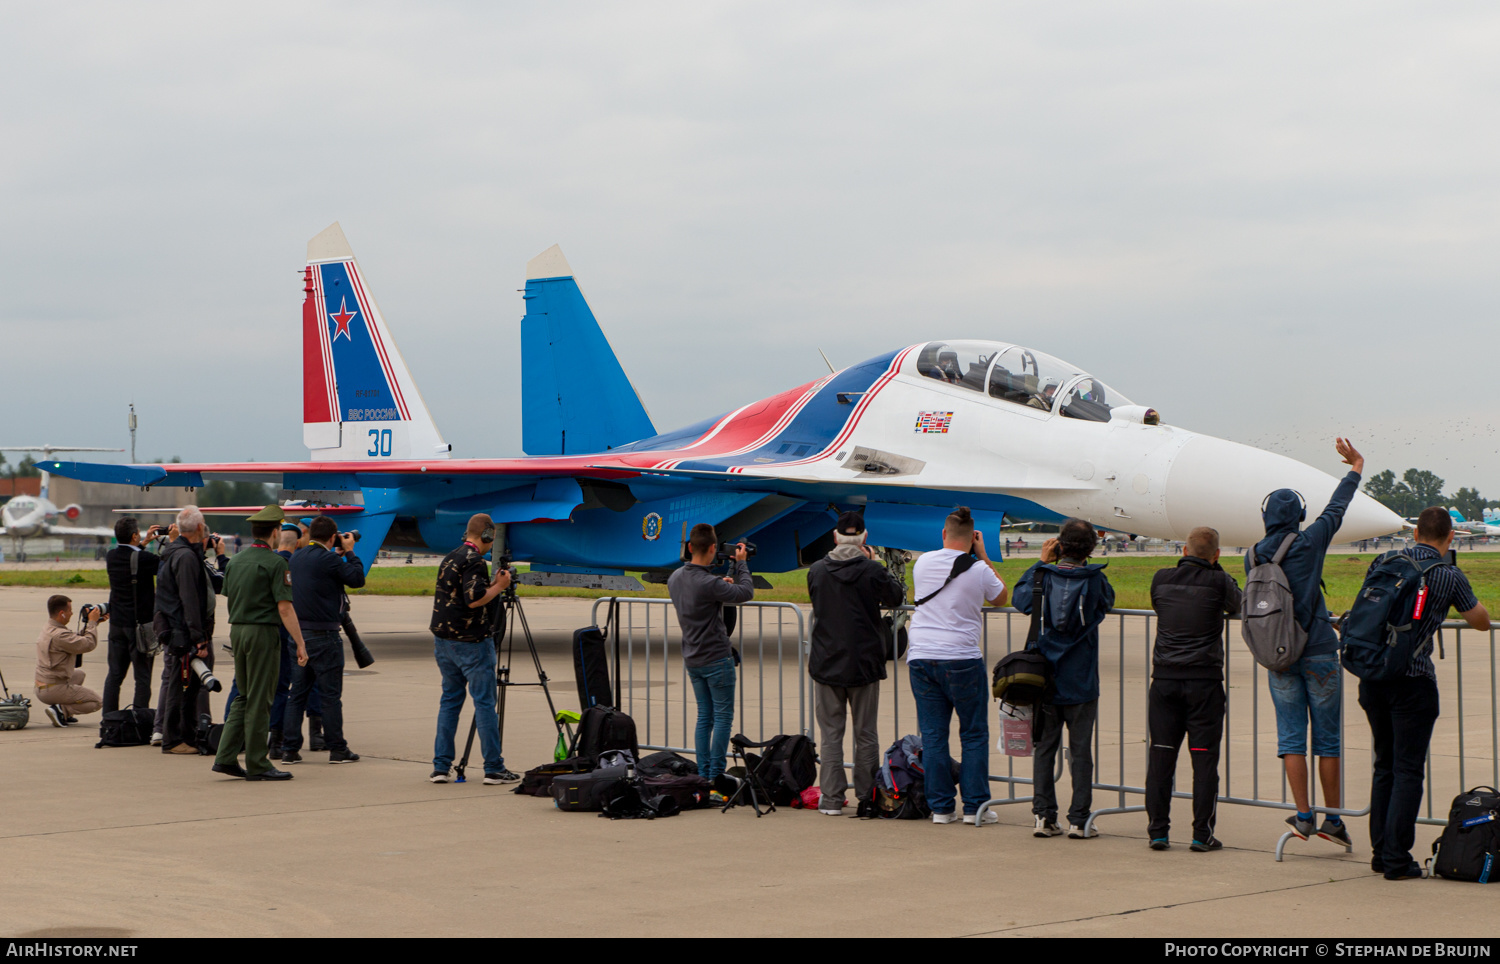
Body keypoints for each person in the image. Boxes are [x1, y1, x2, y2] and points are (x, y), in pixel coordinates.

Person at [1358, 507, 1490, 880]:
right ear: (1450, 538)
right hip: (1412, 681)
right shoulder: (1447, 574)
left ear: (1415, 534)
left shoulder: (1384, 560)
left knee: (1384, 765)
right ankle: (1398, 858)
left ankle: (1381, 853)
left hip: (1373, 676)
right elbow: (1479, 621)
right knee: (1408, 770)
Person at [1250, 437, 1363, 844]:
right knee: (1327, 738)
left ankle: (1302, 816)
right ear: (1299, 515)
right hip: (1316, 650)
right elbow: (1337, 508)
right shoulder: (1308, 542)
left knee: (1291, 738)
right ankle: (1333, 819)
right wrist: (1355, 468)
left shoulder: (1252, 555)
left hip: (1277, 655)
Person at [906, 506, 1007, 825]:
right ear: (973, 538)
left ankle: (940, 807)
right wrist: (984, 556)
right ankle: (975, 805)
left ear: (943, 534)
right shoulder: (978, 569)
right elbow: (1001, 597)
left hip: (921, 654)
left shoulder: (922, 562)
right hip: (961, 657)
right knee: (974, 733)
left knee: (934, 734)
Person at [1013, 519, 1114, 838]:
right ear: (1090, 549)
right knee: (1081, 752)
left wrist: (1040, 563)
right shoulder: (1096, 579)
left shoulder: (1043, 576)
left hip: (1045, 678)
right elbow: (1107, 603)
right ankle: (1079, 818)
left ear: (1059, 544)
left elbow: (1020, 600)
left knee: (1044, 748)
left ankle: (1043, 815)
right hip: (1082, 679)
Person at [1145, 526, 1242, 852]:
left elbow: (1160, 606)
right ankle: (1202, 833)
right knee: (1203, 761)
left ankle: (1158, 831)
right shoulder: (1219, 580)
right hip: (1204, 681)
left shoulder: (1161, 578)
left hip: (1165, 680)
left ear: (1183, 552)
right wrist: (1217, 570)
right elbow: (1237, 605)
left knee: (1161, 756)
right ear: (1216, 555)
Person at [806, 511, 905, 815]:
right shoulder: (871, 571)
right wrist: (873, 562)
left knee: (831, 735)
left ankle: (832, 799)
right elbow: (896, 597)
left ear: (835, 537)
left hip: (827, 662)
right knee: (866, 733)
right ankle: (866, 794)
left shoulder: (818, 570)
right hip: (863, 662)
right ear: (864, 538)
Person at [212, 505, 308, 781]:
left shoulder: (237, 560)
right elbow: (285, 608)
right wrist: (300, 643)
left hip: (238, 632)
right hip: (262, 634)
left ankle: (226, 756)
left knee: (243, 694)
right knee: (261, 698)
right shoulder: (276, 563)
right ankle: (257, 762)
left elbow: (229, 594)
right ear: (275, 532)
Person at [429, 513, 517, 785]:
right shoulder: (475, 560)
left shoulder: (451, 556)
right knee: (485, 704)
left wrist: (490, 587)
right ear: (488, 536)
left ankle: (440, 767)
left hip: (444, 641)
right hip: (471, 643)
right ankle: (493, 767)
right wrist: (500, 587)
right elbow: (474, 600)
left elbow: (462, 593)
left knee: (450, 701)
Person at [667, 523, 754, 790]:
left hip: (692, 657)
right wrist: (741, 565)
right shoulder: (708, 583)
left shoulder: (676, 578)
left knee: (704, 717)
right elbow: (746, 592)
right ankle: (716, 773)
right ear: (714, 548)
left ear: (690, 547)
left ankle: (703, 774)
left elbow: (704, 592)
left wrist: (719, 584)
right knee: (723, 716)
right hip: (716, 657)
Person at [281, 515, 366, 764]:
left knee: (297, 694)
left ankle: (289, 749)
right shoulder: (329, 559)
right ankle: (337, 749)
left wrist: (335, 553)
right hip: (325, 636)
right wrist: (349, 552)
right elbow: (357, 579)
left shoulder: (297, 557)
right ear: (332, 537)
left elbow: (321, 572)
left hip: (298, 635)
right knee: (330, 696)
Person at [154, 506, 227, 754]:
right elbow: (189, 599)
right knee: (178, 686)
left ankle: (187, 735)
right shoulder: (185, 557)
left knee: (190, 687)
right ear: (199, 527)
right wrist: (199, 639)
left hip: (176, 629)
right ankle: (173, 740)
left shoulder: (175, 551)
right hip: (183, 632)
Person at [102, 517, 166, 715]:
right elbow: (166, 565)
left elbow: (132, 558)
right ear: (134, 535)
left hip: (117, 625)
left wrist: (142, 544)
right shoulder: (145, 559)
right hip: (140, 627)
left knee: (114, 675)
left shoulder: (111, 556)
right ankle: (140, 718)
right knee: (142, 677)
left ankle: (109, 719)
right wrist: (170, 541)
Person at [35, 594, 106, 726]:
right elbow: (87, 644)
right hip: (52, 689)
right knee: (97, 702)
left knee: (79, 674)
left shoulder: (49, 628)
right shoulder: (60, 634)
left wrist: (94, 623)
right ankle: (62, 711)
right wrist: (91, 623)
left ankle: (63, 713)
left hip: (43, 685)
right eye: (69, 611)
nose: (72, 613)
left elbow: (74, 640)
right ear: (61, 613)